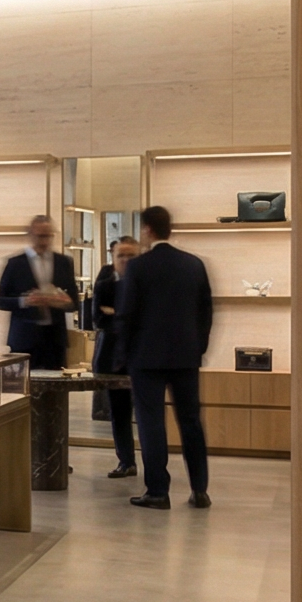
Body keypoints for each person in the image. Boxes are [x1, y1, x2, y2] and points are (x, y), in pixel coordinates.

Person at [117, 204, 213, 510]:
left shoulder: (138, 268)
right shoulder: (194, 265)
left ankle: (158, 491)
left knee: (151, 423)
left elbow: (127, 315)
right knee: (191, 422)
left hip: (146, 358)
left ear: (147, 229)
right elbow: (206, 312)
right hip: (186, 356)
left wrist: (125, 356)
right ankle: (200, 490)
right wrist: (198, 347)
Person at [0, 213, 78, 372]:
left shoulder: (64, 262)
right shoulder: (15, 264)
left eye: (48, 236)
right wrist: (24, 301)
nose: (44, 241)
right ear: (31, 235)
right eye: (40, 236)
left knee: (57, 391)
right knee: (26, 389)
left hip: (55, 340)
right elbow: (0, 301)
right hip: (24, 339)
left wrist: (62, 302)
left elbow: (73, 302)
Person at [91, 235, 139, 479]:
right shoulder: (105, 284)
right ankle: (127, 461)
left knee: (144, 413)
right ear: (113, 258)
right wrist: (124, 317)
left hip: (141, 357)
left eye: (131, 255)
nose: (126, 260)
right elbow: (98, 319)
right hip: (112, 358)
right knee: (119, 413)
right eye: (121, 255)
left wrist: (116, 314)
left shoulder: (146, 283)